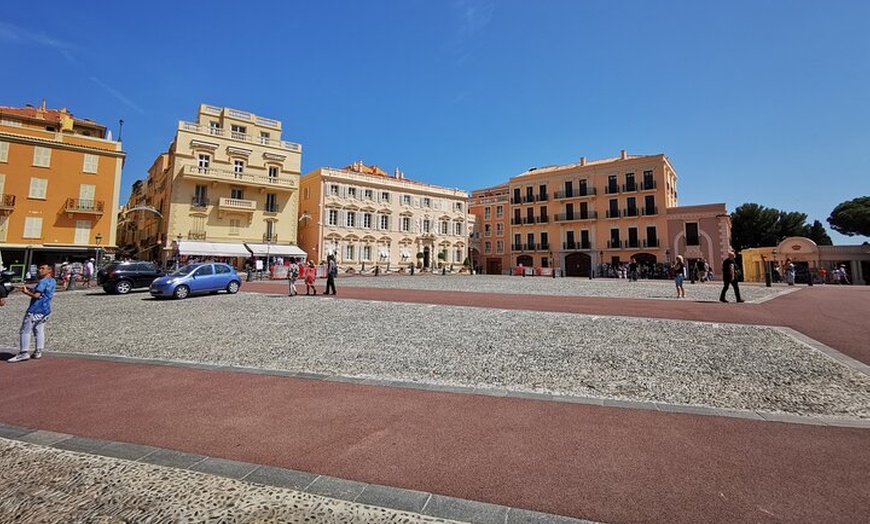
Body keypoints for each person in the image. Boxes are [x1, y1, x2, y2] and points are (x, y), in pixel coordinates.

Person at [9, 264, 57, 363]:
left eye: (43, 268)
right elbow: (41, 292)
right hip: (46, 309)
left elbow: (36, 295)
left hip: (35, 309)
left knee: (25, 330)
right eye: (40, 268)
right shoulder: (52, 281)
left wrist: (26, 292)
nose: (40, 270)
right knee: (39, 329)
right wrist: (26, 288)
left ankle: (23, 352)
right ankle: (38, 350)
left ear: (49, 270)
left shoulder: (42, 282)